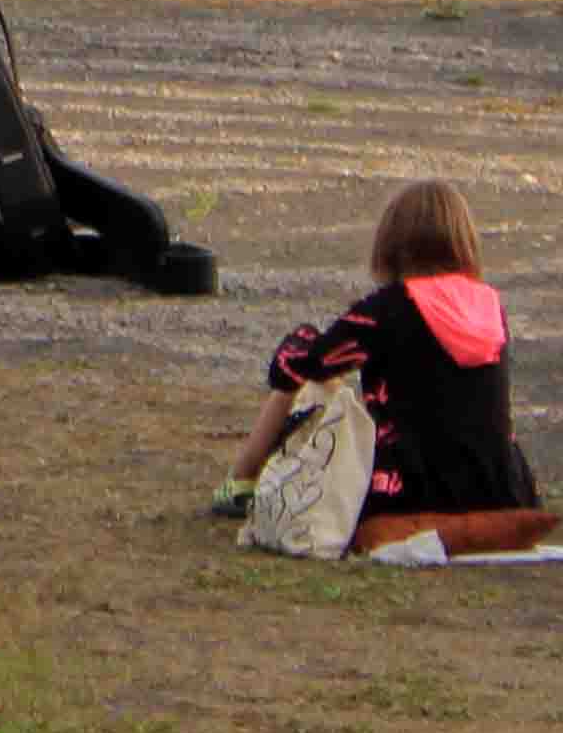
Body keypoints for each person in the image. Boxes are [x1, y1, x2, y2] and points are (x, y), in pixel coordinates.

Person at [220, 178, 541, 528]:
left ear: (391, 242)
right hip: (504, 491)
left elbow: (288, 371)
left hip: (410, 492)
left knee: (309, 373)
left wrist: (302, 338)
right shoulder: (490, 306)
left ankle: (240, 480)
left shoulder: (384, 310)